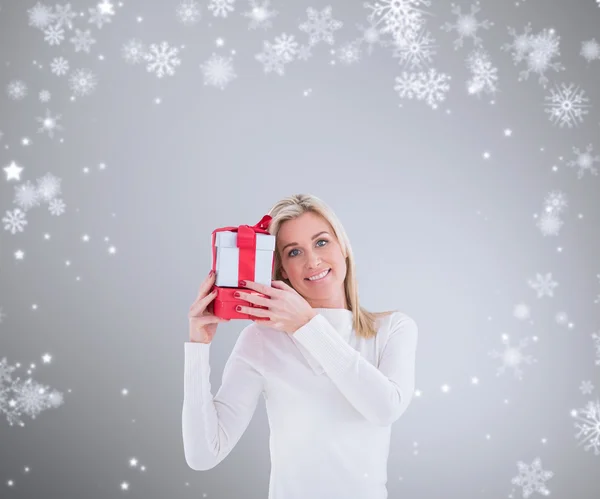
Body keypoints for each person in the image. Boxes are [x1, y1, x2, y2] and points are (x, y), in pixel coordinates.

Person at [182, 193, 419, 499]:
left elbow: (384, 408)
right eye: (294, 252)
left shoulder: (392, 329)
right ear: (282, 271)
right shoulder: (262, 340)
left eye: (321, 242)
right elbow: (203, 454)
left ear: (343, 247)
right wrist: (198, 350)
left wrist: (307, 325)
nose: (313, 261)